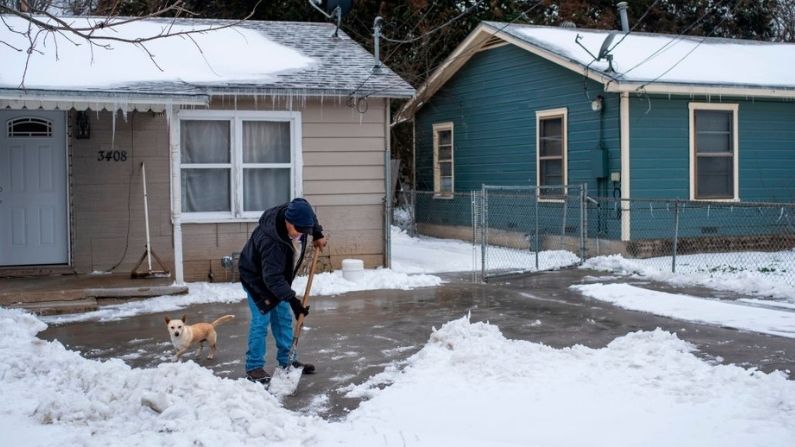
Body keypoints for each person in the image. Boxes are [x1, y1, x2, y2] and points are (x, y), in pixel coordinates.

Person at [239, 197, 327, 384]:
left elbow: (309, 213)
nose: (300, 235)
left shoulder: (298, 211)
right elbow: (272, 279)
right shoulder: (272, 241)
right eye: (298, 230)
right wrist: (294, 301)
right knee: (262, 321)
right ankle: (254, 367)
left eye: (305, 231)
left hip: (276, 278)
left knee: (283, 319)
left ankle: (288, 361)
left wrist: (317, 233)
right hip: (257, 279)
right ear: (288, 221)